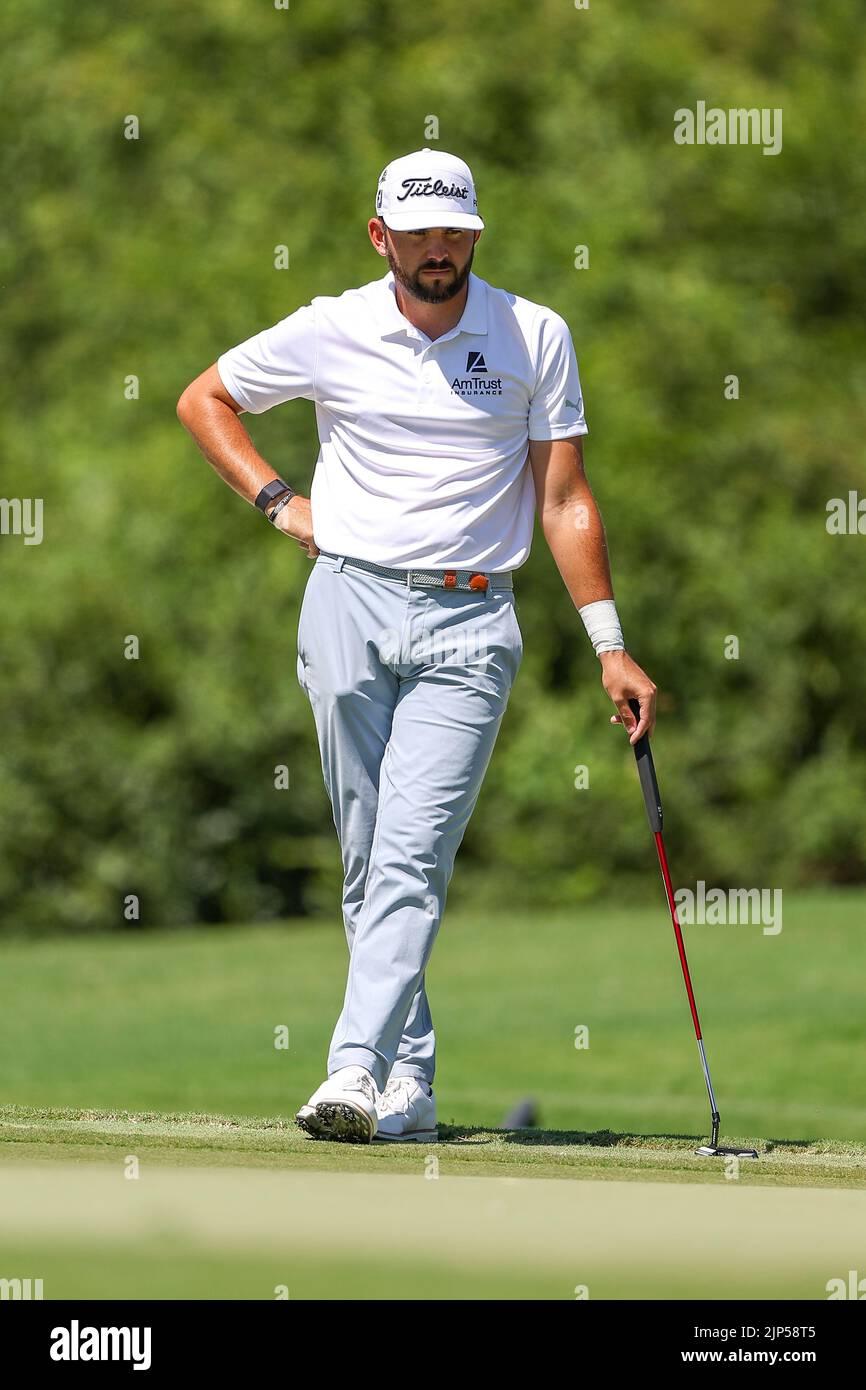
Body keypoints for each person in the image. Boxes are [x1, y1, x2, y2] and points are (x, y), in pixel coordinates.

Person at [177, 147, 657, 1144]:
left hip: (470, 622)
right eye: (419, 232)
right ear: (379, 234)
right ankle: (410, 1083)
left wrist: (606, 642)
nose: (438, 250)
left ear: (474, 234)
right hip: (344, 601)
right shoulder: (329, 327)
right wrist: (276, 500)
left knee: (409, 847)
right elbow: (202, 398)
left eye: (455, 232)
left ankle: (351, 1067)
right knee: (368, 855)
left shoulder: (532, 334)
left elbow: (561, 498)